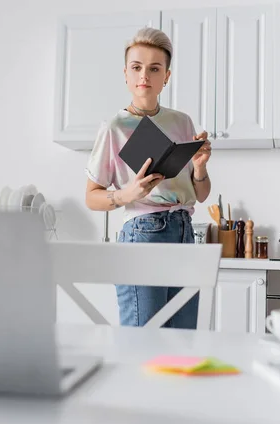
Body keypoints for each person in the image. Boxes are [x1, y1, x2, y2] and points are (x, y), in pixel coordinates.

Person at [85, 27, 212, 328]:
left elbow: (202, 194)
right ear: (126, 74)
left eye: (155, 68)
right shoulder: (114, 127)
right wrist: (129, 193)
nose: (145, 75)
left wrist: (200, 166)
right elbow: (91, 196)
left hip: (184, 232)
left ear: (166, 76)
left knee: (182, 341)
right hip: (143, 232)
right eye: (137, 67)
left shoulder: (181, 121)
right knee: (142, 340)